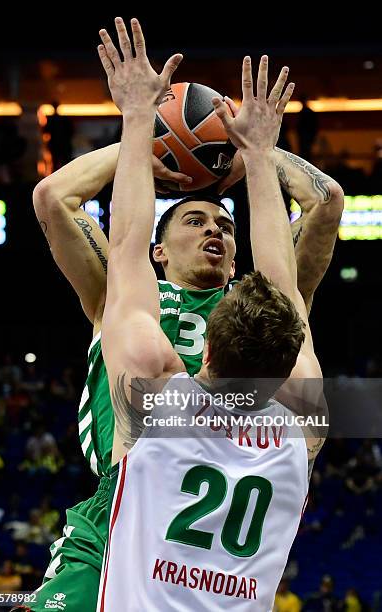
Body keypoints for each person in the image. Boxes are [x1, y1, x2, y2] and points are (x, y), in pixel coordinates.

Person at [29, 28, 343, 612]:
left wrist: (146, 129)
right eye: (194, 221)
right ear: (161, 252)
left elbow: (324, 205)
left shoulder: (214, 322)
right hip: (132, 510)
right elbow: (53, 199)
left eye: (224, 224)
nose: (216, 229)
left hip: (160, 467)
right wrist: (248, 147)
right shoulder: (290, 377)